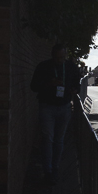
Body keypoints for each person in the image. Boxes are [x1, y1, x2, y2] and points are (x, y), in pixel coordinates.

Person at [30, 44, 82, 183]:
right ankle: (48, 171)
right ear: (52, 55)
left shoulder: (70, 67)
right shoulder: (44, 66)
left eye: (62, 57)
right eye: (57, 57)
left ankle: (55, 168)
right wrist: (49, 84)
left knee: (59, 140)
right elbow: (33, 86)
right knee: (48, 138)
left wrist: (74, 90)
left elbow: (77, 84)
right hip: (47, 106)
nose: (59, 60)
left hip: (64, 106)